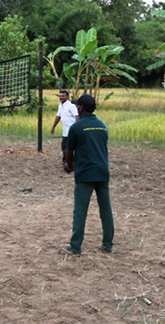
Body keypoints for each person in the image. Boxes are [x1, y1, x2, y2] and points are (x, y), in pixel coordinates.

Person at [60, 94, 114, 255]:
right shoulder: (102, 126)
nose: (77, 108)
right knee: (105, 210)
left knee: (80, 211)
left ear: (81, 108)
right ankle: (108, 244)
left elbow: (70, 152)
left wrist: (69, 166)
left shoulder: (76, 127)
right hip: (102, 172)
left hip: (85, 174)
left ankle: (75, 247)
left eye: (78, 106)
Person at [51, 90, 79, 167]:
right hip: (65, 131)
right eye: (60, 96)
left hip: (72, 131)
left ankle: (70, 163)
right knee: (64, 147)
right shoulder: (60, 106)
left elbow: (77, 116)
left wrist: (77, 127)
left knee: (70, 147)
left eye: (63, 96)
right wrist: (54, 126)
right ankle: (66, 163)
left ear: (67, 97)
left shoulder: (71, 106)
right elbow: (58, 116)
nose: (61, 97)